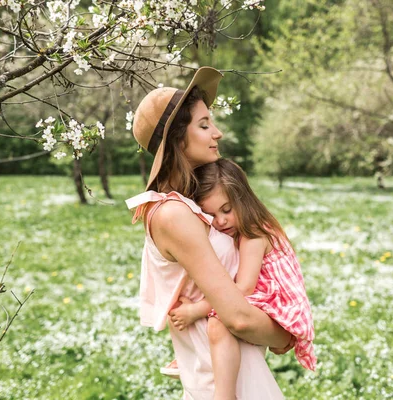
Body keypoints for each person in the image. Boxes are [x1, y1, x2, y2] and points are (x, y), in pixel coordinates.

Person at [125, 67, 294, 399]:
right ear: (176, 138)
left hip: (233, 367)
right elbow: (238, 318)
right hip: (222, 382)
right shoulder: (174, 214)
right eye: (203, 125)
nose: (216, 133)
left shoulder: (189, 206)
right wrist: (286, 337)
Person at [166, 159, 316, 399]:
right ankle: (199, 358)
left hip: (280, 308)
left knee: (218, 321)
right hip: (266, 303)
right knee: (221, 321)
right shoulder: (240, 232)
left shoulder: (254, 233)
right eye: (210, 214)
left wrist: (196, 310)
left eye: (227, 210)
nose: (221, 221)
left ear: (243, 200)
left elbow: (243, 289)